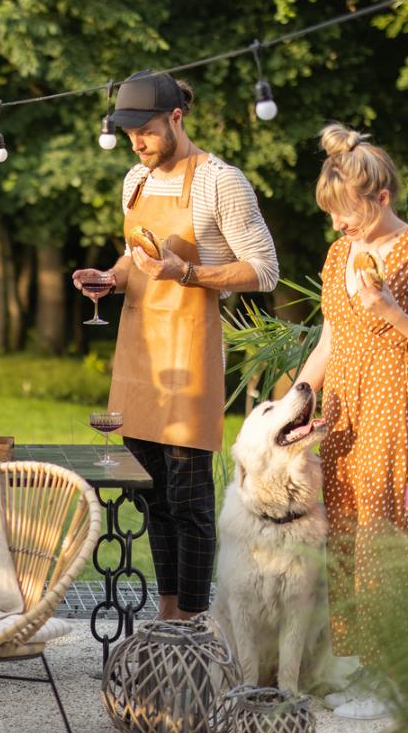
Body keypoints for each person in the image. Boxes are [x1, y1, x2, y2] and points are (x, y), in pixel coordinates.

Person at [71, 71, 279, 624]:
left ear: (176, 119)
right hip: (138, 356)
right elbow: (132, 260)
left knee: (189, 503)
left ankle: (194, 621)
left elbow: (265, 270)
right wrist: (109, 278)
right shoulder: (134, 181)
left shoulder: (220, 181)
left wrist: (186, 271)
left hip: (189, 355)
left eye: (144, 130)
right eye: (128, 131)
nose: (136, 142)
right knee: (152, 498)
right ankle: (166, 617)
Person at [295, 124, 408, 719]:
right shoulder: (340, 253)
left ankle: (396, 673)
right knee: (343, 534)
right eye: (332, 214)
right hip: (342, 408)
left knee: (384, 536)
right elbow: (332, 338)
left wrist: (390, 310)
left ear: (381, 198)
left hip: (393, 406)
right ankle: (365, 666)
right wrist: (298, 396)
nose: (338, 225)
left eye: (346, 213)